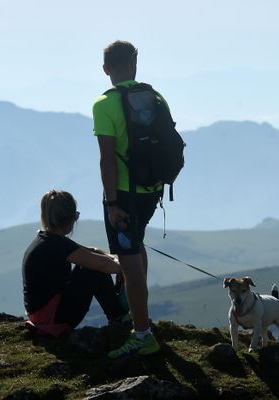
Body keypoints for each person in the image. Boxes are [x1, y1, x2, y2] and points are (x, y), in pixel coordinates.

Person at [92, 40, 166, 358]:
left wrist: (111, 204)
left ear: (106, 69)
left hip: (123, 195)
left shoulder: (104, 104)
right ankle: (140, 316)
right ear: (135, 64)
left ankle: (142, 334)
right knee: (137, 247)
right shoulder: (155, 97)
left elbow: (107, 159)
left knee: (128, 261)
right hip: (152, 191)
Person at [22, 189, 128, 337]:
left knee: (91, 264)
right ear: (69, 219)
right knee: (92, 271)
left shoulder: (47, 240)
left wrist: (117, 261)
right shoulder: (56, 244)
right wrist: (127, 269)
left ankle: (119, 317)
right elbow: (101, 264)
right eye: (76, 216)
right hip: (52, 319)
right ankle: (119, 318)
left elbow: (91, 251)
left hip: (43, 315)